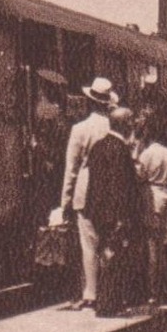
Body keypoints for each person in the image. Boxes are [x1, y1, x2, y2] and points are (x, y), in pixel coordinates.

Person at [58, 77, 117, 310]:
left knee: (89, 245)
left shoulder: (80, 129)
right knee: (108, 243)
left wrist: (65, 201)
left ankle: (91, 293)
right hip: (111, 191)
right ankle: (111, 289)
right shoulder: (113, 126)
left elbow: (71, 169)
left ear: (90, 102)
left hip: (85, 192)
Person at [82, 105, 145, 316]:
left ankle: (107, 302)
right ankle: (109, 305)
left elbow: (95, 184)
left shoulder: (98, 146)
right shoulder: (119, 149)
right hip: (114, 214)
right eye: (131, 121)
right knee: (114, 257)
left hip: (97, 211)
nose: (133, 124)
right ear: (125, 123)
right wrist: (121, 217)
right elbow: (119, 186)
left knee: (105, 255)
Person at [134, 118, 167, 305]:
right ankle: (165, 287)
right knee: (163, 247)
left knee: (151, 248)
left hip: (151, 196)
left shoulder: (147, 153)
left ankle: (153, 291)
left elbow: (139, 175)